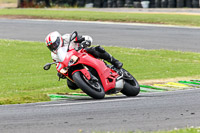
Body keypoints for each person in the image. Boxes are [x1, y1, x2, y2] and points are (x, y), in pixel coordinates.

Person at [45, 31, 123, 70]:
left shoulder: (67, 38)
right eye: (51, 46)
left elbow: (86, 37)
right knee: (70, 85)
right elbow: (58, 66)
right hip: (73, 64)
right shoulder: (54, 54)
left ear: (59, 39)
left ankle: (115, 61)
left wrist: (86, 41)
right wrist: (61, 72)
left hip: (82, 53)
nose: (54, 47)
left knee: (96, 50)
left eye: (54, 44)